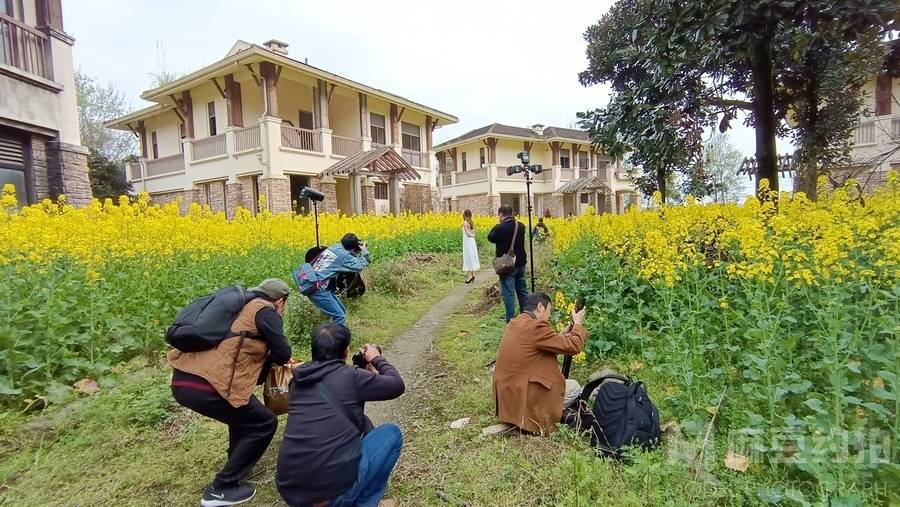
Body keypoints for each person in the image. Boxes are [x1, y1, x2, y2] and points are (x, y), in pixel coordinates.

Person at [168, 279, 293, 507]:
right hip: (209, 384)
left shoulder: (238, 308)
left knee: (242, 416)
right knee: (263, 423)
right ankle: (221, 488)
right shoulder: (266, 310)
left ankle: (236, 465)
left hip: (185, 378)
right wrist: (282, 359)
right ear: (280, 301)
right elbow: (283, 351)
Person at [277, 323, 405, 507]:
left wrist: (362, 372)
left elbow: (341, 398)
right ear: (346, 351)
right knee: (392, 434)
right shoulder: (351, 377)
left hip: (291, 492)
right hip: (329, 497)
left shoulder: (297, 381)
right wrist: (377, 359)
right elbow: (396, 385)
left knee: (363, 423)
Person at [493, 292, 588, 434]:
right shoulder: (536, 327)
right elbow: (573, 347)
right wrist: (578, 324)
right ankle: (541, 415)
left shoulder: (516, 322)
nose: (549, 315)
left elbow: (533, 347)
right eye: (549, 310)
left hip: (508, 396)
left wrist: (560, 336)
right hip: (522, 397)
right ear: (540, 307)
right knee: (574, 387)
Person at [294, 233, 370, 325]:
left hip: (315, 283)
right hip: (318, 289)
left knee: (342, 311)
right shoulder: (344, 256)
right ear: (353, 248)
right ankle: (334, 338)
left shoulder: (334, 248)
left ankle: (333, 333)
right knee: (339, 317)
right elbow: (359, 266)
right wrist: (364, 253)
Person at [487, 205, 528, 322]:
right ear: (512, 213)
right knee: (522, 291)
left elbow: (490, 237)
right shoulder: (521, 226)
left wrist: (497, 225)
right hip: (520, 263)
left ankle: (510, 319)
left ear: (500, 214)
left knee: (508, 293)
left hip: (507, 266)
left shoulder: (500, 228)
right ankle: (526, 316)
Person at [461, 209, 480, 283]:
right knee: (472, 257)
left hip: (467, 242)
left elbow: (468, 233)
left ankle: (469, 277)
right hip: (472, 242)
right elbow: (473, 234)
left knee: (468, 257)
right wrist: (472, 236)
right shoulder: (472, 223)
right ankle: (473, 275)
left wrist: (470, 235)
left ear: (465, 215)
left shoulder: (465, 222)